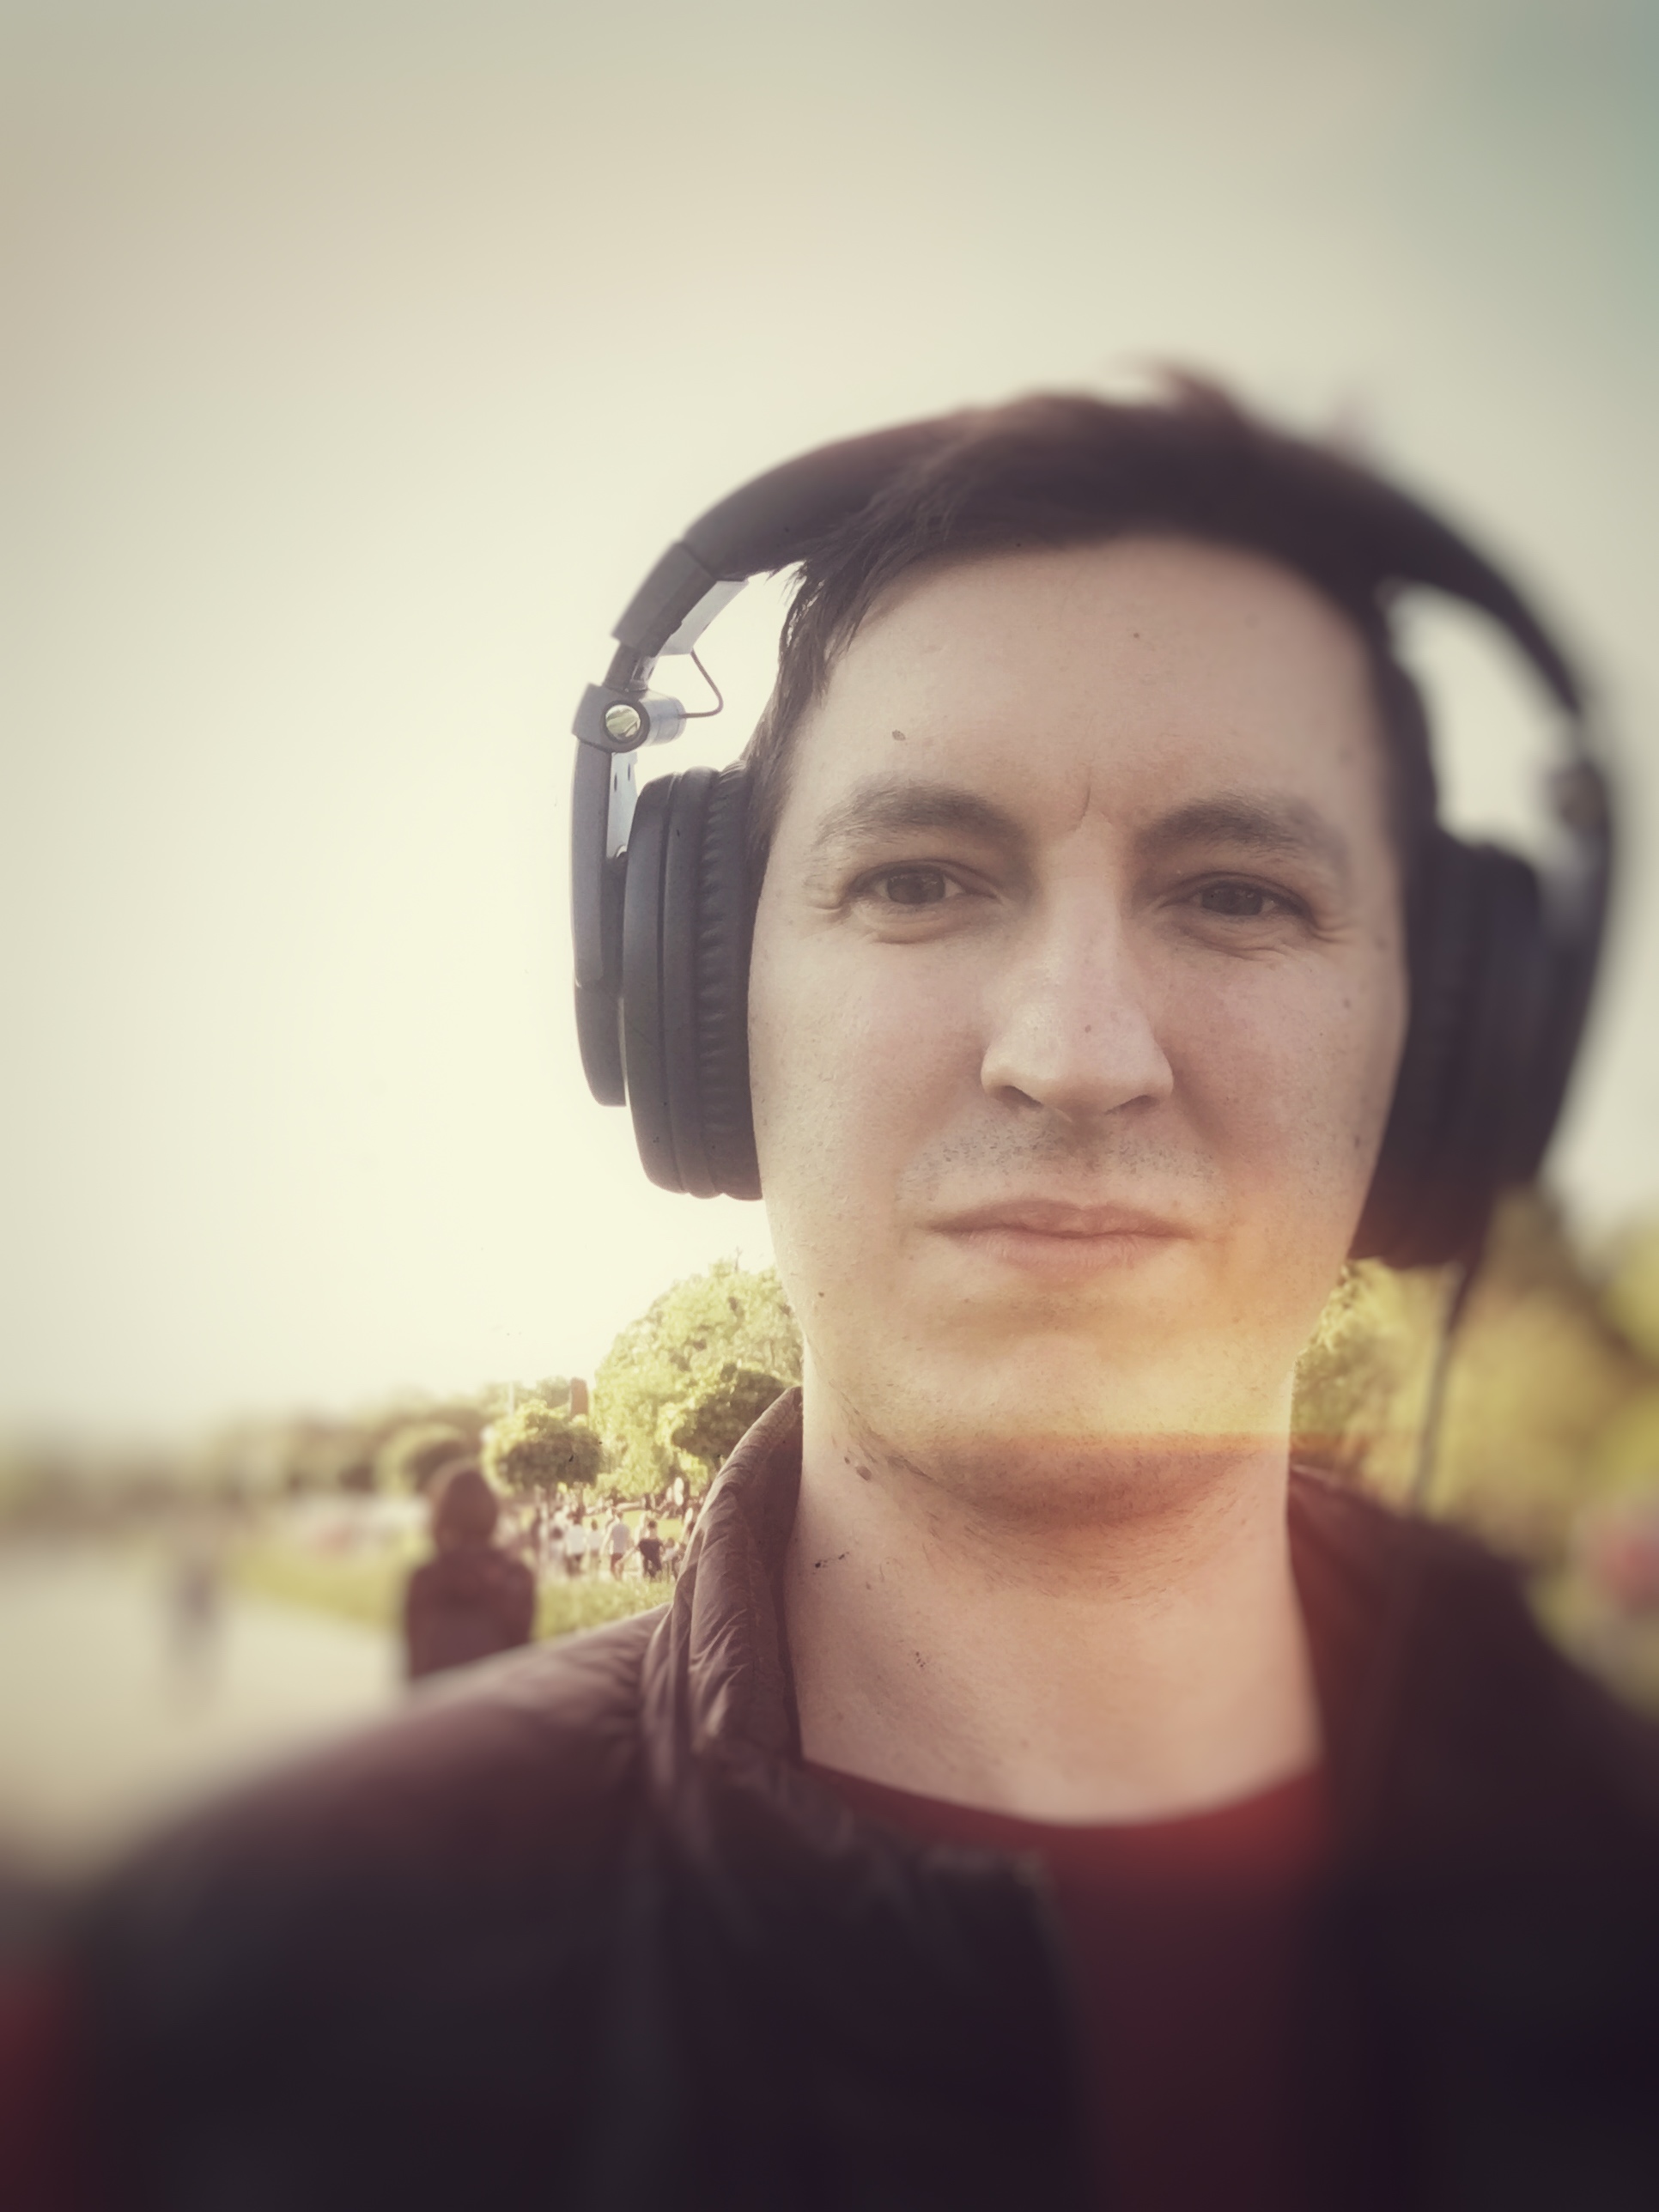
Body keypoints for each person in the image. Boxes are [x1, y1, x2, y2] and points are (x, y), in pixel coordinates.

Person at [62, 387, 1659, 2210]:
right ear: (699, 1009)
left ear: (1449, 1052)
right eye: (918, 879)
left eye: (1237, 893)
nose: (1074, 1053)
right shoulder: (213, 2020)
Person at [400, 1459, 537, 1682]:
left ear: (442, 1513)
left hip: (444, 1698)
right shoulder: (516, 1576)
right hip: (500, 1696)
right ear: (491, 1510)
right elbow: (522, 1655)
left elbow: (415, 1665)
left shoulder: (426, 1578)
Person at [603, 1509, 634, 1581]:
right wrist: (631, 1549)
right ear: (622, 1516)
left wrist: (603, 1548)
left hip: (614, 1550)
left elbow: (608, 1538)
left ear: (615, 1516)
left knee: (612, 1569)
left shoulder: (612, 1526)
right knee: (620, 1569)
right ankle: (619, 1581)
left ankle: (616, 1581)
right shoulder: (626, 1527)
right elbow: (629, 1539)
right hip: (623, 1551)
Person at [635, 1516, 664, 1581]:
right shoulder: (657, 1541)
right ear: (654, 1529)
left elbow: (635, 1549)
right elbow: (663, 1551)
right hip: (656, 1563)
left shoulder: (643, 1541)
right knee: (656, 1578)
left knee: (645, 1577)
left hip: (646, 1562)